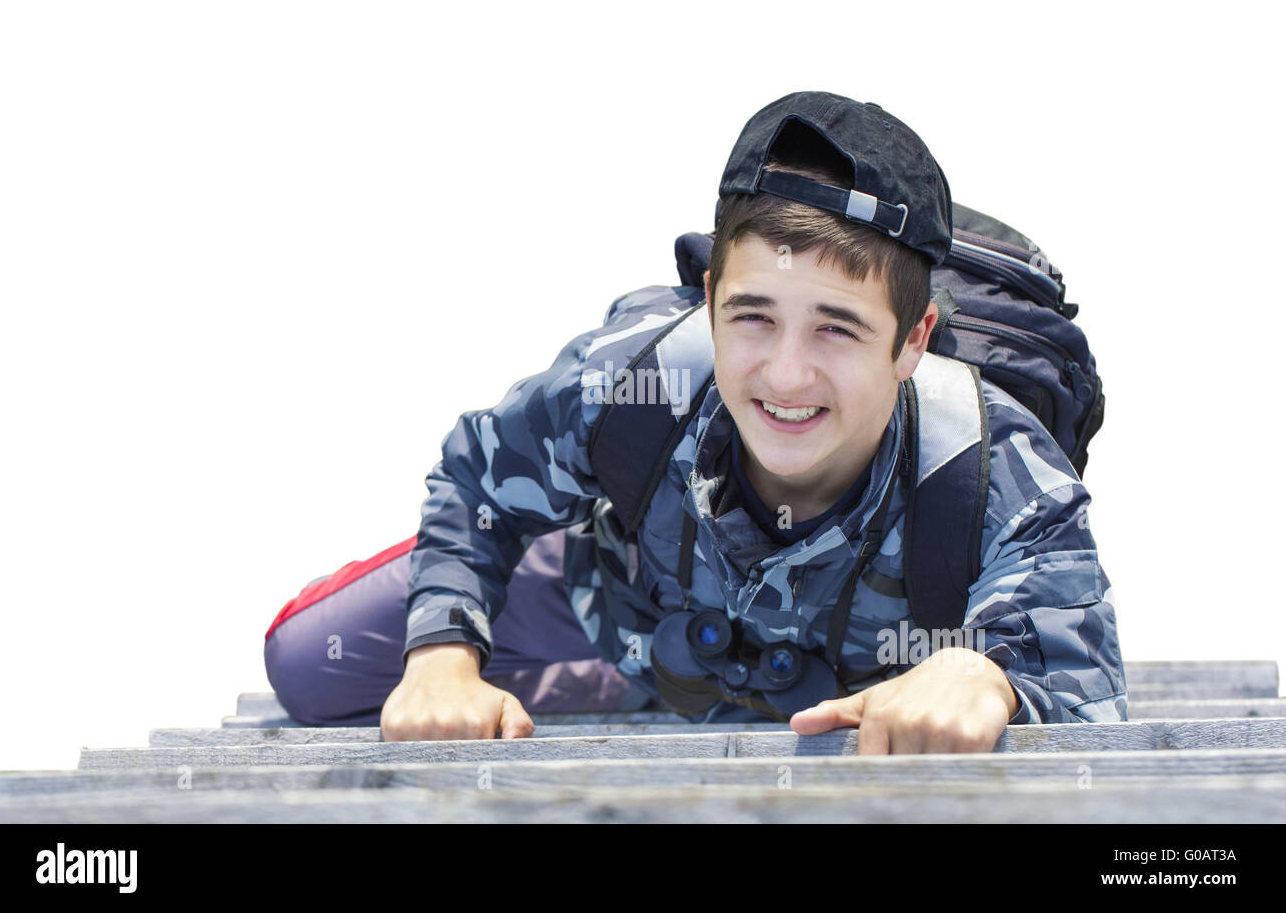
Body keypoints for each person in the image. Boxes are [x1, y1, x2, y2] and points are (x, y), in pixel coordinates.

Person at [373, 90, 1125, 753]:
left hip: (856, 688)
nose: (787, 375)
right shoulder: (639, 385)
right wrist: (442, 653)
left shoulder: (988, 463)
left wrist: (982, 674)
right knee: (309, 663)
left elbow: (1084, 682)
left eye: (838, 329)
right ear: (708, 300)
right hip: (609, 616)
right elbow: (477, 476)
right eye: (753, 317)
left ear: (914, 340)